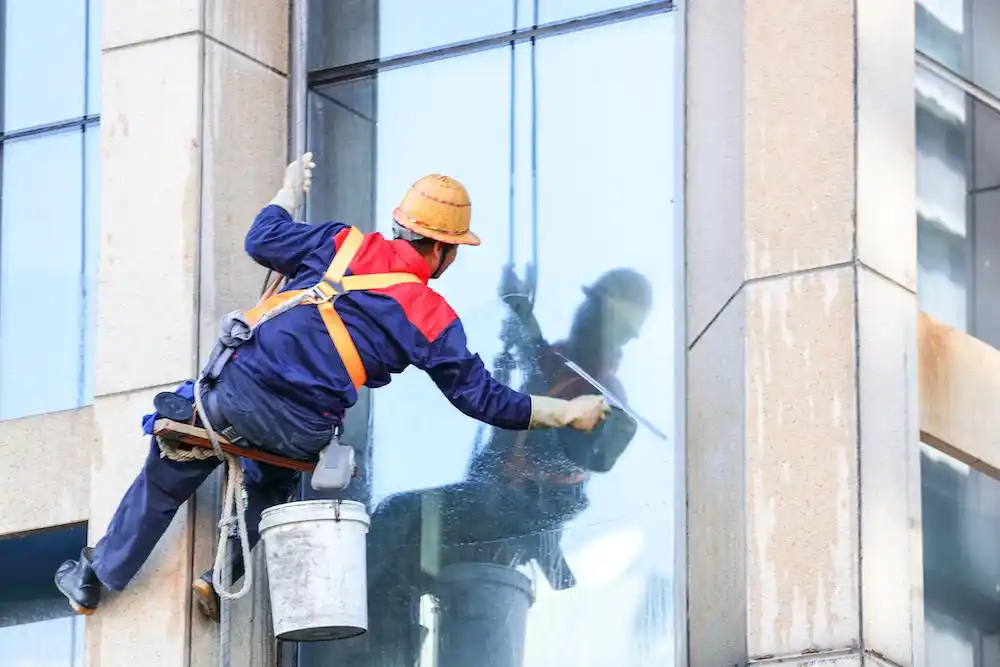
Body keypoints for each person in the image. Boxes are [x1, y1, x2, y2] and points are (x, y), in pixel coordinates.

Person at [53, 153, 611, 619]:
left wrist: (287, 191)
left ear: (402, 227)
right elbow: (484, 400)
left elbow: (262, 238)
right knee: (270, 485)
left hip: (234, 397)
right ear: (442, 249)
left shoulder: (343, 245)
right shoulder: (432, 315)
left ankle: (95, 577)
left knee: (167, 471)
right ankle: (223, 574)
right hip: (301, 431)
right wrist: (568, 413)